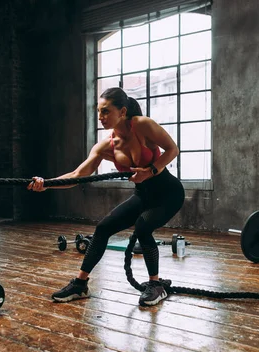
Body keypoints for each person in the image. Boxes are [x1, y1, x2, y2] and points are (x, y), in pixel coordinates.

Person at [28, 87, 185, 306]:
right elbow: (77, 175)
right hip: (143, 196)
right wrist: (47, 184)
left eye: (105, 112)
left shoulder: (142, 125)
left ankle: (155, 285)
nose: (100, 117)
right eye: (98, 112)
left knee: (143, 227)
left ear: (122, 112)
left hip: (169, 193)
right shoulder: (105, 146)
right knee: (102, 229)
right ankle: (80, 284)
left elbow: (172, 149)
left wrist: (150, 170)